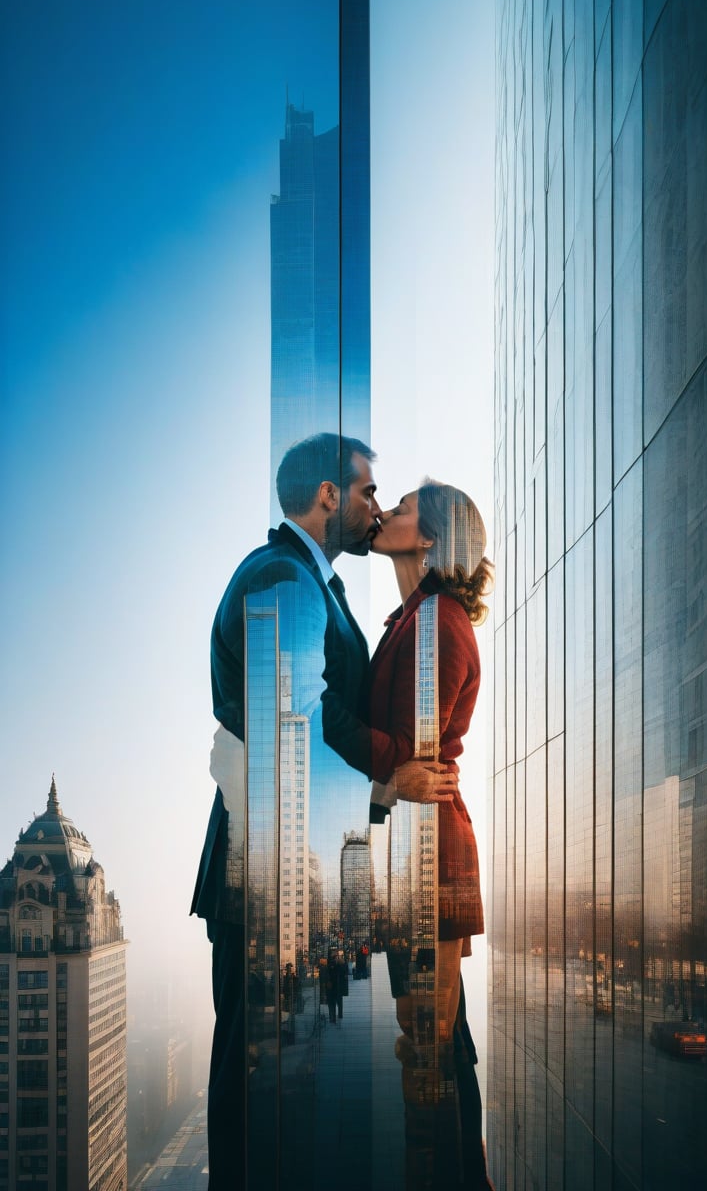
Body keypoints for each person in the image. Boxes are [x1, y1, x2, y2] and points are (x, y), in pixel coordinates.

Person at [190, 433, 449, 1189]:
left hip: (288, 872)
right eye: (370, 491)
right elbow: (293, 724)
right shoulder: (281, 576)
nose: (376, 506)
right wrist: (385, 785)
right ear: (330, 495)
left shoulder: (312, 580)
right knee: (257, 1084)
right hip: (269, 874)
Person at [367, 478, 494, 1190]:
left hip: (428, 858)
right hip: (415, 857)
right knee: (438, 1049)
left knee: (428, 1057)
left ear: (431, 537)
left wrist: (357, 760)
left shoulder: (437, 621)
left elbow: (413, 754)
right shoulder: (412, 618)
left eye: (408, 505)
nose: (390, 510)